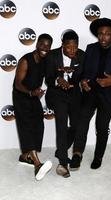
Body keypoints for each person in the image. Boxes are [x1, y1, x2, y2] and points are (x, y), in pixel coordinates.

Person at [70, 18, 111, 170]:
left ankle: (98, 156)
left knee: (102, 127)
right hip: (90, 92)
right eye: (100, 34)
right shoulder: (91, 48)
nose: (103, 37)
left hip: (108, 95)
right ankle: (77, 154)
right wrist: (82, 81)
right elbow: (83, 71)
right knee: (81, 122)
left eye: (107, 34)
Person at [12, 33, 53, 181]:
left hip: (33, 96)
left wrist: (37, 92)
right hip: (21, 95)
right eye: (42, 44)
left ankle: (24, 157)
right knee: (27, 126)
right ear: (37, 44)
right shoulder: (25, 60)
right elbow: (18, 84)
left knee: (38, 125)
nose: (45, 48)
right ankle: (37, 164)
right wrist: (30, 92)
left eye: (48, 46)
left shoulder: (45, 60)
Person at [45, 30, 85, 177]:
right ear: (63, 45)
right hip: (57, 95)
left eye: (75, 47)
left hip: (74, 94)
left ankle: (61, 149)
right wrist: (58, 80)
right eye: (69, 47)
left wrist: (81, 80)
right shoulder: (52, 56)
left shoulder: (82, 55)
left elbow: (83, 76)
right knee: (61, 126)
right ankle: (62, 162)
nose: (73, 50)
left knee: (76, 125)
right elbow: (48, 79)